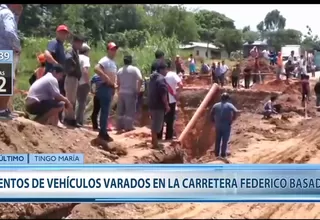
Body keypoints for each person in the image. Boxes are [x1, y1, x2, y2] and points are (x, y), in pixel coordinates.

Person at [0, 4, 23, 119]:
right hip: (4, 50)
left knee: (4, 79)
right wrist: (17, 47)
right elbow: (10, 31)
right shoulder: (7, 13)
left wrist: (17, 15)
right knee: (6, 81)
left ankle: (3, 109)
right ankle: (2, 110)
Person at [93, 42, 118, 142]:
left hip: (109, 88)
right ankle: (103, 132)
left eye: (115, 49)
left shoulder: (113, 62)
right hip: (104, 87)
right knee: (104, 111)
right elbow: (96, 68)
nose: (114, 51)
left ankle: (103, 131)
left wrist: (113, 87)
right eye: (112, 49)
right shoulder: (105, 60)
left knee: (106, 111)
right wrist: (106, 78)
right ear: (108, 50)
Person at [44, 24, 70, 122]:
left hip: (59, 77)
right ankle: (52, 120)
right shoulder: (54, 43)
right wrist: (57, 65)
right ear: (57, 33)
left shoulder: (61, 46)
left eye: (65, 33)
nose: (64, 35)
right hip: (52, 75)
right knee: (54, 97)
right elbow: (47, 54)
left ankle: (56, 119)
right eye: (62, 33)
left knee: (59, 96)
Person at [116, 55, 143, 132]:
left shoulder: (120, 70)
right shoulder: (134, 69)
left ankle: (119, 126)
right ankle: (128, 127)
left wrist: (118, 91)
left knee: (120, 111)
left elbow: (118, 82)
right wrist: (138, 89)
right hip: (130, 92)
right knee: (129, 111)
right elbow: (140, 79)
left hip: (121, 92)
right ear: (131, 61)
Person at [158, 59, 183, 140]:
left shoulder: (159, 75)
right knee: (170, 121)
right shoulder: (172, 74)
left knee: (161, 119)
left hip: (161, 100)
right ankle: (168, 138)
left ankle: (159, 137)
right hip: (171, 100)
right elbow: (181, 84)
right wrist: (177, 94)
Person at [210, 93, 240, 160]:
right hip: (226, 125)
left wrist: (213, 121)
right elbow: (235, 111)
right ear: (227, 99)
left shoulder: (216, 105)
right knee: (225, 140)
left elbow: (211, 113)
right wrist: (233, 119)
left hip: (218, 125)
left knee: (217, 140)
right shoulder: (229, 105)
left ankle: (216, 154)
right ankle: (223, 154)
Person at [148, 61, 170, 148]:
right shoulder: (161, 79)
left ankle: (154, 141)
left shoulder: (152, 78)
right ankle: (155, 143)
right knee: (157, 125)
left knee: (154, 123)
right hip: (158, 105)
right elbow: (163, 94)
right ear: (161, 69)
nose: (166, 71)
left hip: (152, 104)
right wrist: (167, 105)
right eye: (166, 69)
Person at [64, 35, 84, 127]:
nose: (80, 45)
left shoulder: (76, 51)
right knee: (70, 99)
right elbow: (67, 59)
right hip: (71, 77)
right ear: (75, 42)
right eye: (79, 43)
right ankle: (69, 119)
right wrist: (74, 67)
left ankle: (71, 118)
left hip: (74, 77)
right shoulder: (70, 50)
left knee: (72, 99)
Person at [76, 43, 91, 126]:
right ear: (86, 51)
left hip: (75, 81)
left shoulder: (76, 56)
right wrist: (88, 82)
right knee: (82, 102)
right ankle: (79, 120)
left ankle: (72, 118)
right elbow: (85, 70)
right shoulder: (85, 58)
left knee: (74, 101)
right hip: (83, 82)